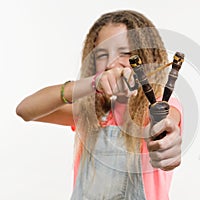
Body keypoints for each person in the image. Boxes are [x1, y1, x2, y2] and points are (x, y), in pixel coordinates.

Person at [16, 10, 182, 200]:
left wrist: (168, 143)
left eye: (126, 53)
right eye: (101, 54)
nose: (111, 64)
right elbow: (25, 110)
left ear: (147, 58)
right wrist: (92, 84)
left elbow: (168, 124)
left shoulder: (159, 106)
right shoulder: (89, 113)